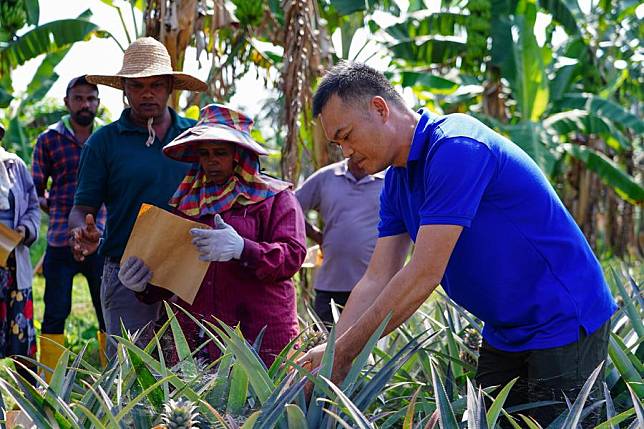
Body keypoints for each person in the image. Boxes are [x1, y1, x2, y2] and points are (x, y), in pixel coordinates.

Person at [298, 62, 616, 427]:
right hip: (505, 329)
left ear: (380, 109)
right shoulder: (397, 184)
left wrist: (343, 354)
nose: (346, 153)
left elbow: (423, 274)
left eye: (347, 135)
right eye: (338, 143)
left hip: (562, 320)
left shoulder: (456, 147)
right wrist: (335, 351)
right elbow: (376, 277)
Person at [117, 104, 307, 366]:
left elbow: (293, 255)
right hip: (198, 334)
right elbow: (174, 270)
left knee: (265, 403)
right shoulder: (189, 203)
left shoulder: (275, 198)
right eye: (204, 154)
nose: (211, 161)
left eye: (220, 152)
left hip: (260, 330)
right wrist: (143, 285)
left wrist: (243, 249)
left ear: (239, 155)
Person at [68, 37, 207, 354]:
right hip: (127, 271)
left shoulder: (197, 137)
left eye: (156, 85)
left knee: (193, 375)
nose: (147, 93)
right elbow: (82, 208)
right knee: (131, 377)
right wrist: (81, 231)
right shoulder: (104, 142)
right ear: (124, 90)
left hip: (188, 271)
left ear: (170, 86)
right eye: (137, 86)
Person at [31, 76, 108, 372]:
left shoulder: (108, 138)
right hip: (60, 240)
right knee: (55, 311)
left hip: (102, 240)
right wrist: (57, 208)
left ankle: (115, 378)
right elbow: (36, 188)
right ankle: (50, 382)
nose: (85, 104)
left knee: (107, 312)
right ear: (67, 102)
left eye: (91, 98)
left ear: (98, 103)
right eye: (78, 98)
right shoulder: (49, 139)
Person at [295, 158, 384, 326]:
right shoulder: (327, 177)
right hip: (330, 285)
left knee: (367, 348)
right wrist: (317, 236)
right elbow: (290, 207)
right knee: (325, 345)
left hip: (372, 287)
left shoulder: (388, 180)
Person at [0, 123, 40, 385]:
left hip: (13, 264)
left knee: (21, 341)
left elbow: (33, 205)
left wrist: (25, 229)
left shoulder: (14, 165)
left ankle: (28, 406)